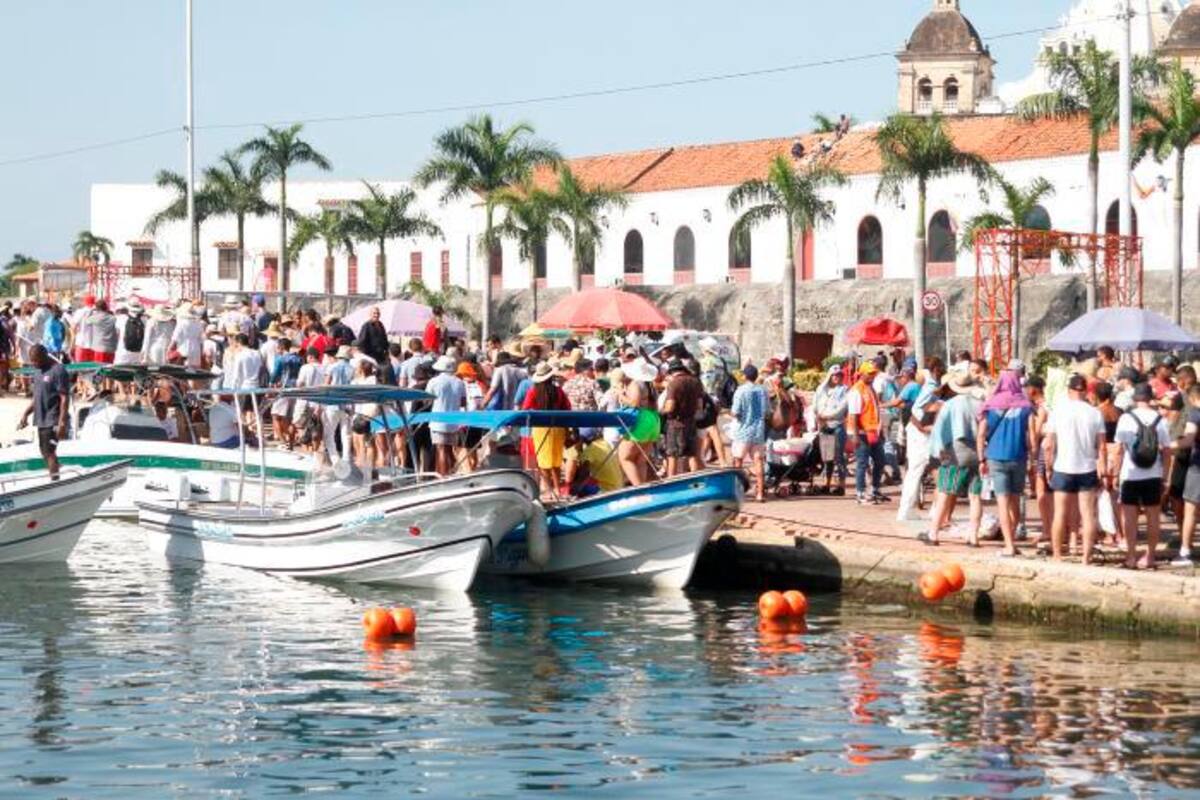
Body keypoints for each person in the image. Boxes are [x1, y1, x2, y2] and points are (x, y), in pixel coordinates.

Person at [1045, 373, 1107, 564]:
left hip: (1063, 466)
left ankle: (1057, 554)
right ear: (1085, 391)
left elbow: (1049, 444)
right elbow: (1102, 445)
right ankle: (1086, 557)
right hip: (1087, 467)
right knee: (1087, 514)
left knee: (1060, 513)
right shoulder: (1095, 413)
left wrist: (1048, 467)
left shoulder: (1058, 411)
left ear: (1069, 390)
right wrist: (1102, 467)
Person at [977, 370, 1036, 557]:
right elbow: (1031, 436)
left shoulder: (991, 405)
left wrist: (981, 458)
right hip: (1019, 456)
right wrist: (1032, 459)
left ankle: (1008, 544)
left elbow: (981, 435)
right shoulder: (1026, 405)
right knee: (1015, 501)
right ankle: (1012, 538)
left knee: (1002, 502)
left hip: (996, 456)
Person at [923, 367, 985, 546]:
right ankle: (973, 537)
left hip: (956, 452)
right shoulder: (979, 403)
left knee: (944, 491)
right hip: (978, 451)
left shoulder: (950, 405)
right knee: (975, 496)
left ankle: (933, 533)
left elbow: (940, 432)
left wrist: (938, 452)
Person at [1114, 383, 1171, 569]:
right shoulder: (1160, 420)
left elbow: (1118, 450)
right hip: (1153, 474)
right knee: (1153, 516)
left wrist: (1115, 473)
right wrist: (1165, 476)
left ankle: (1131, 556)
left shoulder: (1125, 418)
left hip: (1130, 475)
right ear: (1150, 398)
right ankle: (1150, 556)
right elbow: (1167, 451)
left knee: (1130, 517)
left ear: (1135, 399)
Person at [897, 358, 945, 521]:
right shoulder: (932, 387)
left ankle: (910, 509)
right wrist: (922, 427)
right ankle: (909, 510)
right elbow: (919, 409)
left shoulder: (929, 386)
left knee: (920, 470)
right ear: (937, 369)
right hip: (921, 434)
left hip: (920, 432)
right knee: (921, 469)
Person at [19, 344, 70, 478]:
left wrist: (62, 423)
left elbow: (64, 398)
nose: (34, 363)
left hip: (53, 419)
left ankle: (55, 482)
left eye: (36, 360)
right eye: (32, 360)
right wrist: (25, 414)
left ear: (45, 356)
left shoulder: (58, 370)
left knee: (49, 451)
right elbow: (37, 398)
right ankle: (56, 476)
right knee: (44, 452)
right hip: (41, 419)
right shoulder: (37, 372)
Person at [522, 362, 572, 493]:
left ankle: (549, 492)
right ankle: (557, 490)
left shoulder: (533, 392)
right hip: (558, 428)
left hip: (540, 429)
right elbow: (568, 408)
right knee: (556, 461)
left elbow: (525, 409)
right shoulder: (559, 391)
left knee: (543, 462)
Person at [847, 361, 887, 505]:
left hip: (872, 431)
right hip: (861, 432)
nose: (872, 376)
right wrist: (856, 435)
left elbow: (875, 410)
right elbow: (854, 414)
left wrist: (879, 430)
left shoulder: (871, 388)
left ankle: (875, 489)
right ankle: (860, 493)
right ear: (862, 373)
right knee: (862, 463)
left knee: (880, 460)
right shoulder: (856, 390)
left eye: (874, 373)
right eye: (870, 373)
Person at [731, 364, 768, 502]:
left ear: (745, 376)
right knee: (758, 461)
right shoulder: (762, 390)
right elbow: (767, 411)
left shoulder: (740, 391)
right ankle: (759, 493)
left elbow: (735, 412)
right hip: (758, 430)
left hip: (743, 430)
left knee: (738, 461)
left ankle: (737, 492)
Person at [661, 359, 704, 477]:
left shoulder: (674, 383)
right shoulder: (695, 382)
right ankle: (696, 481)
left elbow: (670, 407)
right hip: (691, 422)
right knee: (692, 454)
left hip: (675, 423)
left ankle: (671, 483)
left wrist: (661, 411)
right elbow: (700, 405)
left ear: (671, 372)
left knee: (672, 455)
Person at [427, 355, 466, 476]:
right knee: (450, 450)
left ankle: (442, 476)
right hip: (454, 421)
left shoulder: (434, 381)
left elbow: (427, 401)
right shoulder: (460, 382)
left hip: (438, 421)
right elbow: (463, 402)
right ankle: (450, 473)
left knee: (441, 450)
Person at [814, 364, 849, 495]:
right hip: (824, 426)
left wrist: (827, 416)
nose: (836, 377)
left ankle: (841, 485)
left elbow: (842, 407)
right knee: (826, 457)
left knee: (839, 457)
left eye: (839, 375)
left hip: (837, 425)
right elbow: (815, 405)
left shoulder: (845, 390)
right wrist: (819, 416)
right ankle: (826, 484)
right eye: (834, 375)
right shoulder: (821, 389)